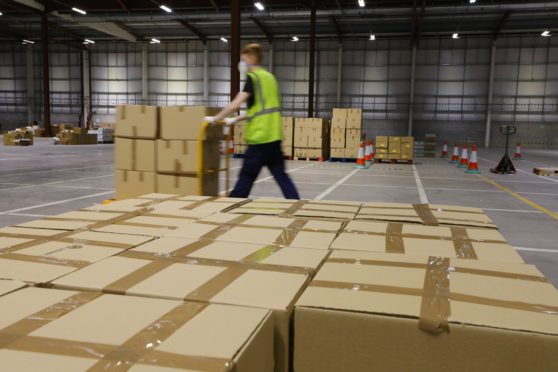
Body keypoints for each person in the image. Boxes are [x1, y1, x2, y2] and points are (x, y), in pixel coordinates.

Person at [204, 43, 300, 199]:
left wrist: (216, 118)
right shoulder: (270, 78)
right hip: (274, 138)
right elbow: (258, 109)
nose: (242, 64)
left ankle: (231, 206)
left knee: (246, 177)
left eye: (244, 59)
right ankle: (296, 204)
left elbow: (236, 103)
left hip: (259, 139)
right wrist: (233, 120)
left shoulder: (253, 78)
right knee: (282, 177)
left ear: (252, 58)